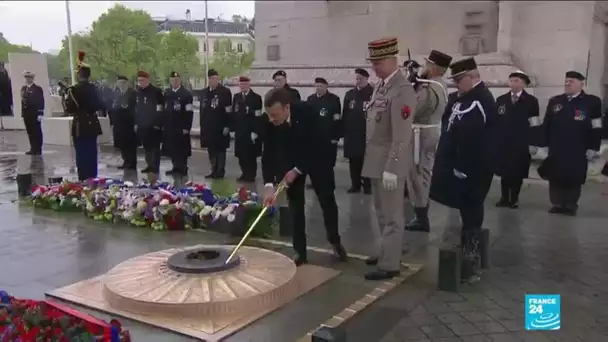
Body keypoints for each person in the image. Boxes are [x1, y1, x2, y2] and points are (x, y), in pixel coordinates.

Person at [262, 88, 347, 266]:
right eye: (269, 115)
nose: (271, 119)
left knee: (327, 199)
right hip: (290, 159)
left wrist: (297, 170)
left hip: (317, 158)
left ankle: (334, 240)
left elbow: (318, 145)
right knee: (295, 206)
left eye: (275, 115)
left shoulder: (307, 112)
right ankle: (299, 251)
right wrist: (269, 186)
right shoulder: (270, 121)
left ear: (287, 108)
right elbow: (268, 154)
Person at [429, 57, 497, 278]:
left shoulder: (482, 100)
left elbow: (475, 138)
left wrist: (463, 166)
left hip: (473, 166)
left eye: (459, 80)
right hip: (455, 163)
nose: (456, 84)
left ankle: (471, 249)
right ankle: (467, 241)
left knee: (472, 205)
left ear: (472, 77)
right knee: (462, 204)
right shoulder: (461, 98)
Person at [361, 37, 417, 281]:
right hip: (375, 160)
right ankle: (386, 252)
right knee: (381, 213)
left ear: (394, 60)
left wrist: (393, 167)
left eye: (379, 61)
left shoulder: (402, 90)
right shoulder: (382, 86)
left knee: (393, 215)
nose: (374, 66)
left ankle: (391, 263)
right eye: (372, 62)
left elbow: (402, 135)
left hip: (389, 163)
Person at [537, 71, 602, 216]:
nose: (567, 84)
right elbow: (547, 123)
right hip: (557, 146)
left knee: (574, 176)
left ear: (581, 83)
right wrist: (543, 144)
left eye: (571, 81)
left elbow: (597, 126)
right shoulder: (556, 101)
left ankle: (571, 204)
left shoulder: (592, 102)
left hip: (578, 147)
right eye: (566, 81)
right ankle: (557, 203)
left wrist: (593, 147)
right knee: (555, 175)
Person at [404, 50, 452, 232]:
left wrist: (409, 89)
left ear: (433, 68)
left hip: (420, 134)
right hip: (429, 132)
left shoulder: (430, 87)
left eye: (427, 65)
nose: (424, 68)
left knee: (417, 175)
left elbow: (414, 110)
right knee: (422, 173)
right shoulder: (438, 85)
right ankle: (421, 213)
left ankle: (421, 216)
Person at [494, 71, 540, 209]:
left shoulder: (531, 101)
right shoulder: (501, 100)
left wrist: (534, 142)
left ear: (524, 84)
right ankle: (504, 197)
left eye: (516, 81)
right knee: (504, 172)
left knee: (517, 172)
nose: (513, 83)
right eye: (511, 80)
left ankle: (514, 198)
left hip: (521, 142)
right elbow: (496, 121)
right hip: (504, 142)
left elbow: (535, 123)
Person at [63, 52, 103, 181]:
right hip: (92, 123)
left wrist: (66, 96)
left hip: (80, 124)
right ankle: (93, 177)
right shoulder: (95, 88)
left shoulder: (74, 90)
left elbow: (69, 109)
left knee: (81, 154)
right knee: (92, 153)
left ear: (79, 75)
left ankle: (84, 178)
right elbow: (99, 104)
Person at [343, 68, 374, 194]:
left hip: (366, 132)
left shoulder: (373, 93)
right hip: (352, 133)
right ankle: (355, 184)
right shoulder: (350, 94)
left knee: (367, 161)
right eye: (356, 78)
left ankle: (367, 186)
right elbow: (345, 113)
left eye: (360, 78)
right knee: (353, 161)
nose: (358, 81)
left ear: (366, 79)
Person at [200, 69, 232, 179]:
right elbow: (202, 110)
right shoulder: (204, 92)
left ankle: (220, 170)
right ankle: (213, 169)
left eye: (217, 79)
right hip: (208, 126)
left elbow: (229, 111)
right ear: (209, 79)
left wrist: (227, 125)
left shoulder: (225, 92)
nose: (215, 81)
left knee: (220, 149)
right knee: (211, 149)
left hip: (220, 126)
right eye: (213, 79)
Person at [231, 76, 263, 182]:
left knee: (250, 154)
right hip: (240, 130)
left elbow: (258, 116)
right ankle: (244, 173)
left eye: (245, 84)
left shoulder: (256, 97)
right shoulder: (236, 97)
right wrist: (233, 129)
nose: (243, 86)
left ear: (249, 84)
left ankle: (251, 174)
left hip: (250, 130)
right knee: (241, 154)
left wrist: (255, 131)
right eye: (241, 84)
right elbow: (233, 113)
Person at [306, 77, 342, 170]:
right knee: (314, 161)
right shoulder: (311, 99)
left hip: (328, 137)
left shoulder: (334, 99)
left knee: (328, 163)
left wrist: (335, 136)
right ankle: (315, 181)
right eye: (317, 86)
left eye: (321, 86)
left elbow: (337, 119)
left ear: (326, 86)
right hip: (314, 137)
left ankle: (327, 183)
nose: (318, 88)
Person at [163, 71, 194, 176]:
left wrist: (187, 127)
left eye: (176, 80)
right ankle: (175, 167)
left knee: (182, 148)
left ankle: (183, 168)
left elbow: (189, 112)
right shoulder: (167, 93)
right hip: (169, 126)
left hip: (181, 126)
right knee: (172, 148)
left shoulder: (186, 94)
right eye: (172, 80)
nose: (174, 82)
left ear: (180, 80)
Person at [135, 70, 164, 179]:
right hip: (143, 124)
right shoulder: (138, 92)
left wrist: (158, 123)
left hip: (154, 125)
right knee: (146, 146)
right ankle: (149, 165)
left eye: (142, 80)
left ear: (148, 80)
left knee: (155, 147)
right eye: (139, 81)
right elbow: (137, 109)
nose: (141, 83)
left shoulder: (156, 92)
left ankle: (155, 166)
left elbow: (160, 108)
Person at [110, 75, 138, 170]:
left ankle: (131, 162)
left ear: (127, 83)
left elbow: (136, 109)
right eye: (120, 83)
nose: (121, 85)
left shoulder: (133, 93)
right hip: (119, 123)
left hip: (129, 123)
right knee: (122, 144)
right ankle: (126, 161)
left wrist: (136, 123)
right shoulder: (117, 93)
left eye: (123, 83)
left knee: (129, 144)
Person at [20, 71, 45, 155]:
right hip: (26, 114)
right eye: (26, 77)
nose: (27, 79)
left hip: (35, 114)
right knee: (30, 132)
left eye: (29, 77)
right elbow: (23, 102)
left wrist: (40, 113)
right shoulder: (23, 88)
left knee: (37, 131)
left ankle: (38, 149)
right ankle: (33, 148)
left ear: (32, 78)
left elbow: (41, 101)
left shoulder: (37, 89)